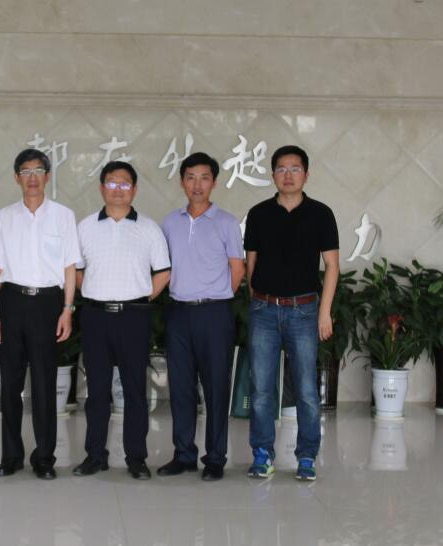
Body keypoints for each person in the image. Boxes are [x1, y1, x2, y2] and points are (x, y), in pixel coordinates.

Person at [0, 148, 81, 480]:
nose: (32, 178)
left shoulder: (63, 216)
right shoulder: (5, 217)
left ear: (48, 176)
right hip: (12, 302)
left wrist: (67, 310)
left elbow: (69, 268)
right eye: (25, 172)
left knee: (44, 383)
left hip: (47, 304)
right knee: (10, 384)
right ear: (17, 178)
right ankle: (11, 456)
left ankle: (44, 458)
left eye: (38, 171)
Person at [244, 145, 339, 481]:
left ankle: (307, 456)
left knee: (307, 390)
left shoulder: (321, 214)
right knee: (261, 389)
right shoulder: (258, 214)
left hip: (303, 311)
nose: (288, 175)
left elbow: (332, 266)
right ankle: (262, 454)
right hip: (264, 310)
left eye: (295, 169)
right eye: (281, 169)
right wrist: (257, 300)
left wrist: (324, 312)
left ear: (306, 175)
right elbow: (251, 264)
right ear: (273, 175)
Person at [72, 161, 170, 480]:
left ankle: (136, 458)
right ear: (102, 188)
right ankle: (95, 455)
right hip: (96, 316)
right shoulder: (85, 227)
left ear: (135, 190)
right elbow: (76, 271)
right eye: (112, 183)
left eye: (125, 184)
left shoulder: (149, 228)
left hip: (134, 317)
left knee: (134, 390)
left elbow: (163, 272)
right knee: (97, 391)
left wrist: (140, 296)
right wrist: (95, 291)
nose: (118, 189)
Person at [158, 152, 245, 481]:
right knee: (181, 387)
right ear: (182, 182)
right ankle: (183, 455)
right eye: (190, 177)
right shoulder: (170, 222)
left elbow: (237, 269)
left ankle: (215, 458)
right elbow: (164, 267)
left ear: (214, 183)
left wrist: (216, 295)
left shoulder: (226, 222)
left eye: (204, 178)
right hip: (179, 312)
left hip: (214, 313)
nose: (197, 185)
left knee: (216, 387)